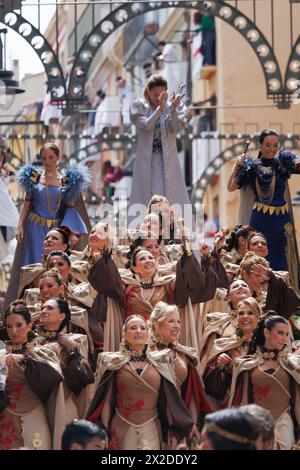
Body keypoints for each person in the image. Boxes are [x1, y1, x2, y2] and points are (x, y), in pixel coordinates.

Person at [86, 315, 194, 450]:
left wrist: (174, 430)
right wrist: (104, 431)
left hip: (152, 426)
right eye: (133, 328)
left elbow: (169, 398)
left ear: (147, 334)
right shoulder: (113, 362)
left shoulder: (161, 361)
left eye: (143, 328)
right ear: (124, 335)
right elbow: (107, 399)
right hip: (120, 426)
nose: (138, 331)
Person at [4, 143, 90, 310]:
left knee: (55, 265)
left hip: (56, 232)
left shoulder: (67, 181)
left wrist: (71, 233)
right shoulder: (34, 178)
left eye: (51, 157)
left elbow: (71, 209)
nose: (47, 161)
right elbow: (26, 205)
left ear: (58, 158)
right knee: (34, 266)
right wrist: (20, 225)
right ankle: (28, 306)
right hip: (35, 229)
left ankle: (56, 305)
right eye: (44, 158)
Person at [227, 130, 300, 281]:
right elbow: (231, 187)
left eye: (275, 145)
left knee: (283, 259)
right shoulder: (252, 167)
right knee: (258, 259)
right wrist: (236, 166)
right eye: (267, 145)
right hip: (260, 220)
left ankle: (285, 296)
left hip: (282, 222)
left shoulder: (283, 165)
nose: (271, 149)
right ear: (260, 145)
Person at [229, 315, 300, 450]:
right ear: (266, 332)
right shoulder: (247, 365)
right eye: (280, 333)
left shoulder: (292, 365)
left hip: (285, 423)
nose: (284, 338)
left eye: (286, 334)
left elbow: (297, 403)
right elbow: (244, 401)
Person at [0, 300, 64, 450]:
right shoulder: (1, 355)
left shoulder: (43, 352)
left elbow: (54, 375)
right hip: (5, 422)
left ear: (29, 326)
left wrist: (25, 359)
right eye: (9, 326)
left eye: (19, 325)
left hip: (34, 419)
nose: (13, 331)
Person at [129, 75, 190, 222]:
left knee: (172, 195)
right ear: (148, 91)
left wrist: (174, 109)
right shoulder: (139, 106)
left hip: (168, 161)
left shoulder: (170, 106)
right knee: (145, 196)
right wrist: (160, 110)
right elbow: (146, 125)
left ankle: (175, 228)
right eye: (155, 95)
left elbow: (175, 128)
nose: (158, 98)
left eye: (162, 94)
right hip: (146, 162)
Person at [148, 301, 211, 437]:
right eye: (171, 321)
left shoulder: (184, 354)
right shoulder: (146, 354)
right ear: (157, 324)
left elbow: (192, 393)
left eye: (179, 322)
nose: (177, 326)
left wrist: (192, 423)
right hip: (153, 421)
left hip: (180, 421)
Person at [203, 297, 261, 409]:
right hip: (230, 403)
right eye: (241, 313)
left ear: (258, 317)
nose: (245, 316)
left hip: (257, 402)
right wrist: (220, 365)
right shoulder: (226, 343)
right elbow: (212, 381)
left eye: (250, 313)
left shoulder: (264, 344)